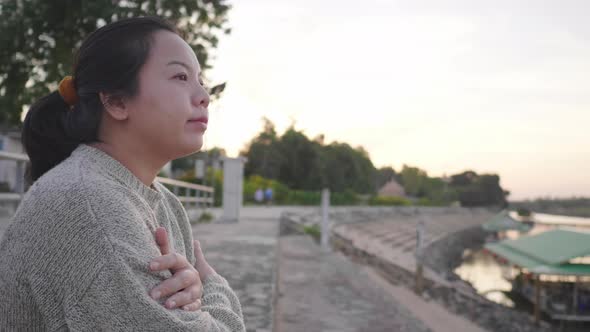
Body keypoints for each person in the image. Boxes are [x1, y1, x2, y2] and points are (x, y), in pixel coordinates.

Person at [0, 16, 245, 331]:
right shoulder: (89, 205)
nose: (204, 95)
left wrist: (194, 296)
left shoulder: (162, 201)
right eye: (181, 77)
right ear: (115, 101)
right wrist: (211, 286)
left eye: (200, 79)